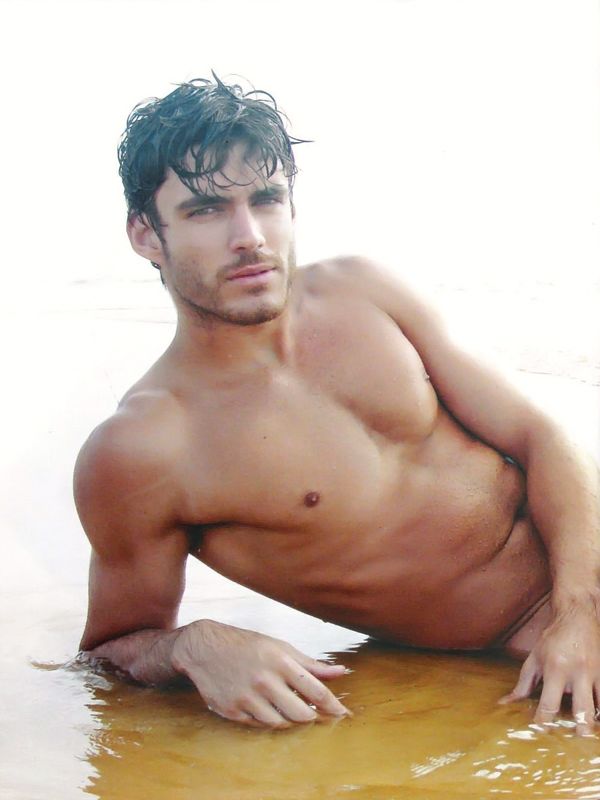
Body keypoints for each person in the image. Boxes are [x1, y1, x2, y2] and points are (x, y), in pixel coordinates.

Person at [75, 76, 600, 733]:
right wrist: (192, 645)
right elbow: (107, 651)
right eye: (206, 210)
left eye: (266, 199)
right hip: (523, 648)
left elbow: (540, 435)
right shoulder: (145, 447)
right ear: (146, 234)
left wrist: (580, 613)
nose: (249, 236)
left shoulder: (361, 291)